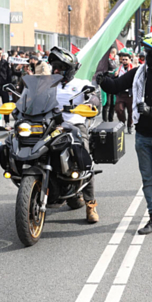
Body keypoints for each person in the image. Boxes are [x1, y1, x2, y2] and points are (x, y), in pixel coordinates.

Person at [99, 31, 152, 235]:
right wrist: (101, 78)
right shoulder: (139, 72)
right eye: (146, 51)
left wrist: (151, 111)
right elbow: (116, 85)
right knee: (147, 179)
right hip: (142, 136)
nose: (147, 55)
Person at [47, 47, 100, 223]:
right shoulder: (48, 84)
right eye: (54, 67)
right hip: (50, 126)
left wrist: (91, 101)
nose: (56, 70)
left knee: (84, 160)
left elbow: (94, 98)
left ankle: (90, 205)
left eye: (60, 67)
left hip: (74, 126)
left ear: (69, 69)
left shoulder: (81, 84)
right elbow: (31, 99)